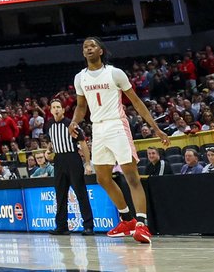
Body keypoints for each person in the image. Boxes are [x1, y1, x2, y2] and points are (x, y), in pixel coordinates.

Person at [70, 37, 169, 244]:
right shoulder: (80, 78)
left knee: (131, 176)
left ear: (101, 51)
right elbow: (81, 106)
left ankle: (142, 224)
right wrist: (74, 122)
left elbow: (136, 101)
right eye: (85, 47)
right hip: (97, 128)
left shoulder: (114, 73)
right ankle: (127, 219)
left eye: (92, 46)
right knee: (102, 178)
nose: (88, 49)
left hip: (117, 125)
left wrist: (156, 129)